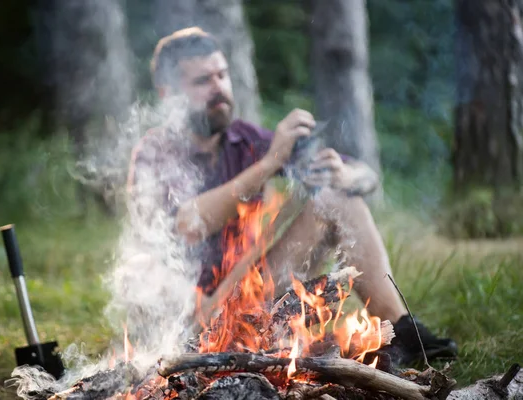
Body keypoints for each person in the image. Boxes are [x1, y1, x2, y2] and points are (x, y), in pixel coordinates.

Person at [126, 27, 457, 366]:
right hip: (191, 322)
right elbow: (186, 225)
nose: (219, 88)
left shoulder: (245, 138)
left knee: (336, 199)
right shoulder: (155, 152)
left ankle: (402, 332)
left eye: (222, 75)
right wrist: (270, 163)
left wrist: (345, 174)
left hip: (253, 293)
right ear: (169, 94)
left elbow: (364, 175)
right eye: (202, 81)